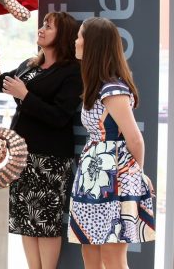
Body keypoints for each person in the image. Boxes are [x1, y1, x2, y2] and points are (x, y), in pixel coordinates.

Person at [68, 17, 155, 268]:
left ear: (92, 44)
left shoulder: (113, 90)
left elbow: (134, 138)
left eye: (80, 35)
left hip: (114, 176)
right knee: (90, 250)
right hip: (94, 175)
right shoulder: (99, 87)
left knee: (113, 256)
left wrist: (136, 175)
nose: (76, 40)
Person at [0, 12, 82, 269]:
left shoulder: (71, 72)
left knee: (45, 222)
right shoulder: (29, 65)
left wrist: (25, 96)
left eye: (49, 26)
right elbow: (1, 81)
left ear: (64, 35)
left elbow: (59, 117)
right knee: (26, 219)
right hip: (21, 155)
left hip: (50, 158)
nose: (42, 29)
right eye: (43, 24)